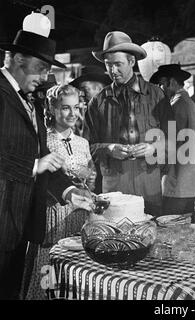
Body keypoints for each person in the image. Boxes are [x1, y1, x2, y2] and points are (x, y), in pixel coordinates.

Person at [0, 29, 92, 300]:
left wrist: (70, 192)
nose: (43, 77)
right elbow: (37, 162)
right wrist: (32, 165)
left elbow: (45, 160)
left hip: (19, 225)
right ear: (17, 59)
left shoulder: (31, 101)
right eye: (40, 68)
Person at [85, 31, 173, 216]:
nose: (113, 71)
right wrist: (108, 148)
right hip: (115, 187)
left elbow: (174, 139)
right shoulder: (98, 102)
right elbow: (88, 146)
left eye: (118, 64)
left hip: (149, 184)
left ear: (132, 62)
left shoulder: (157, 95)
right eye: (108, 65)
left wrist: (153, 148)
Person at [23, 84, 96, 300]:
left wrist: (88, 179)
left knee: (74, 269)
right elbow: (35, 181)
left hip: (78, 215)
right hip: (51, 216)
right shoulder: (42, 140)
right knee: (49, 267)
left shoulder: (83, 142)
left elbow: (88, 177)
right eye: (65, 108)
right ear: (52, 109)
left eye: (76, 107)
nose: (73, 113)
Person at [150, 64, 195, 215]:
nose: (160, 88)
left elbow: (168, 146)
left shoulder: (176, 106)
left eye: (161, 84)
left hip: (175, 184)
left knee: (169, 232)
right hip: (191, 185)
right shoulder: (191, 105)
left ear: (172, 82)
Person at [70, 65, 112, 193]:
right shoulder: (87, 110)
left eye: (84, 89)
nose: (81, 93)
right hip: (89, 171)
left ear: (99, 88)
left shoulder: (109, 110)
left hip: (106, 170)